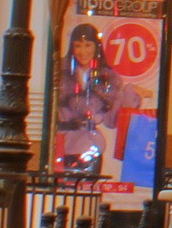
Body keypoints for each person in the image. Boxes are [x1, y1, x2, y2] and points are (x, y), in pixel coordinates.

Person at [52, 22, 143, 172]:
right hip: (62, 145)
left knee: (90, 192)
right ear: (71, 48)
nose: (83, 51)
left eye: (88, 45)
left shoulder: (108, 78)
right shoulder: (60, 72)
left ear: (96, 47)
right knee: (64, 193)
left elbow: (110, 121)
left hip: (92, 148)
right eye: (77, 46)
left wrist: (127, 94)